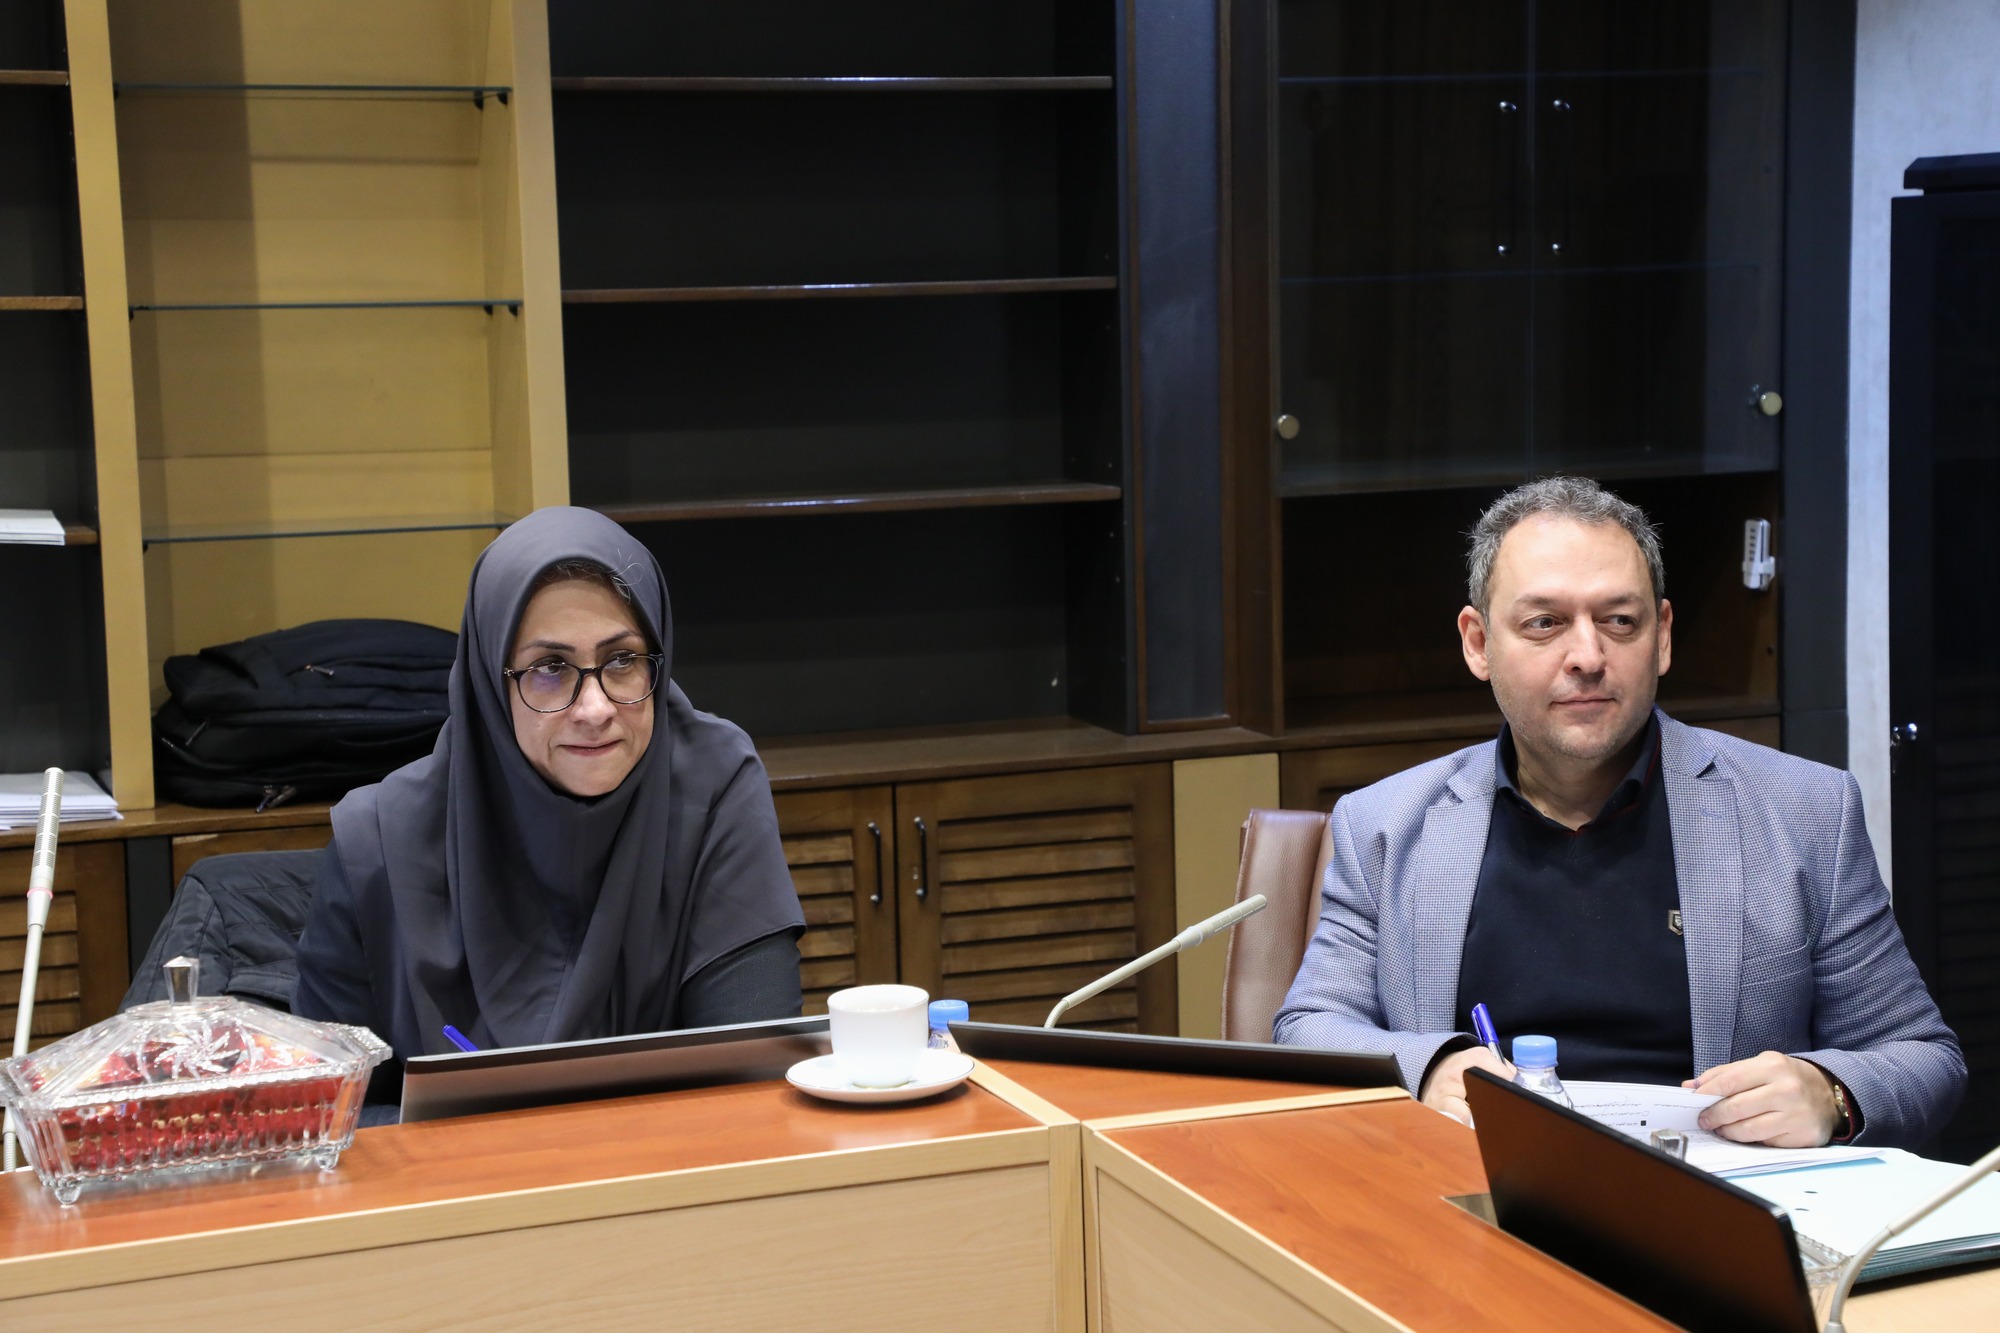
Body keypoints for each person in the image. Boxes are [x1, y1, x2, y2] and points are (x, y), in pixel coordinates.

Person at [1274, 477, 1964, 1150]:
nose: (1588, 656)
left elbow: (1922, 1056)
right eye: (1544, 623)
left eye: (1619, 621)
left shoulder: (1806, 812)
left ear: (1661, 637)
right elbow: (1310, 1026)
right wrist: (1427, 1068)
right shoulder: (1384, 824)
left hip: (1719, 1198)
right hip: (1475, 1186)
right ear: (1478, 643)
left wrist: (1829, 1092)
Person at [294, 507, 805, 1106]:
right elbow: (324, 1116)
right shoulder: (378, 838)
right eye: (550, 668)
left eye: (622, 660)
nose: (595, 708)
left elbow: (750, 1080)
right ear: (491, 681)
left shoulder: (713, 785)